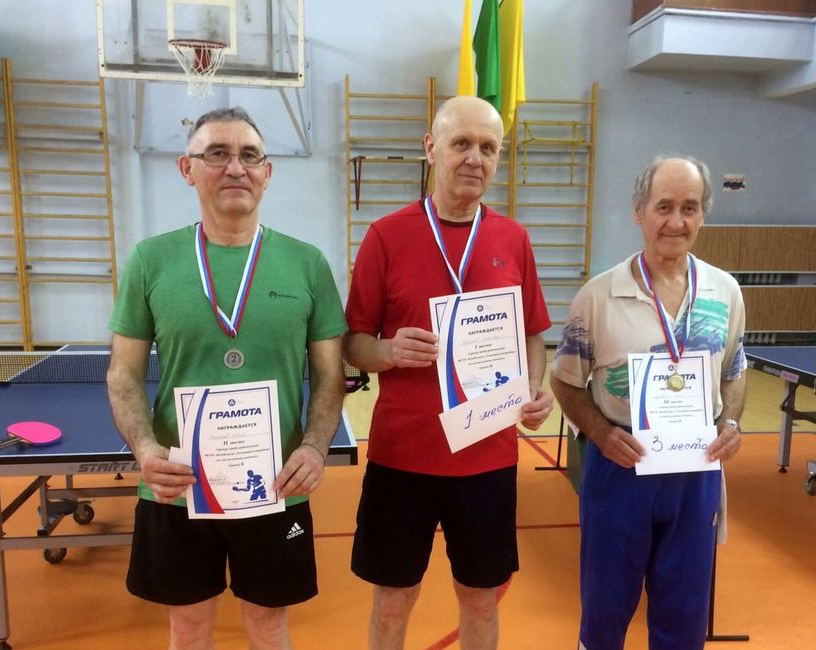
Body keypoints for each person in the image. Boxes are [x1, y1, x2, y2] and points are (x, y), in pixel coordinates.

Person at [106, 106, 346, 650]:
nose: (235, 167)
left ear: (267, 172)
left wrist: (314, 448)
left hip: (276, 488)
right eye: (216, 153)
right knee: (188, 626)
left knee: (269, 625)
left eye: (249, 155)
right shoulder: (150, 261)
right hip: (178, 488)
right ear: (187, 168)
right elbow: (123, 371)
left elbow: (331, 374)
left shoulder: (308, 264)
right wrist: (146, 449)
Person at [343, 95, 554, 650]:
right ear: (431, 147)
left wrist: (535, 387)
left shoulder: (514, 239)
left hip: (488, 458)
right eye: (461, 143)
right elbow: (353, 344)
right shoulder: (386, 236)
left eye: (488, 147)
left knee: (481, 600)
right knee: (393, 600)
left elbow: (533, 334)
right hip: (402, 457)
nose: (474, 159)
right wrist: (388, 351)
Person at [550, 155, 747, 650]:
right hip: (620, 469)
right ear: (638, 211)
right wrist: (600, 433)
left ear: (703, 215)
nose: (676, 222)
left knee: (684, 623)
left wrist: (731, 422)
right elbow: (565, 382)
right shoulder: (597, 297)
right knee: (604, 617)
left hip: (695, 472)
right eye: (664, 207)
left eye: (690, 208)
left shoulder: (725, 292)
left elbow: (734, 371)